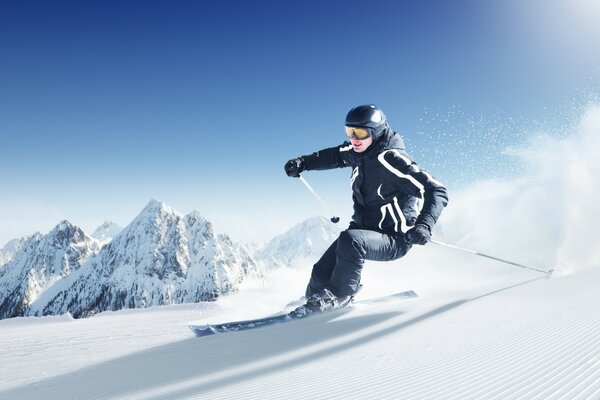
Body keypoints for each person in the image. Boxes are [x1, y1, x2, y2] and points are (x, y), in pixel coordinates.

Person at [284, 104, 448, 313]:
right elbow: (334, 155)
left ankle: (340, 296)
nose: (354, 138)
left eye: (360, 132)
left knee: (351, 240)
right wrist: (302, 163)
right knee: (320, 273)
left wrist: (424, 224)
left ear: (376, 132)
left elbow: (437, 190)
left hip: (394, 237)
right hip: (363, 230)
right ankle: (313, 301)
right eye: (349, 131)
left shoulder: (392, 160)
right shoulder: (357, 151)